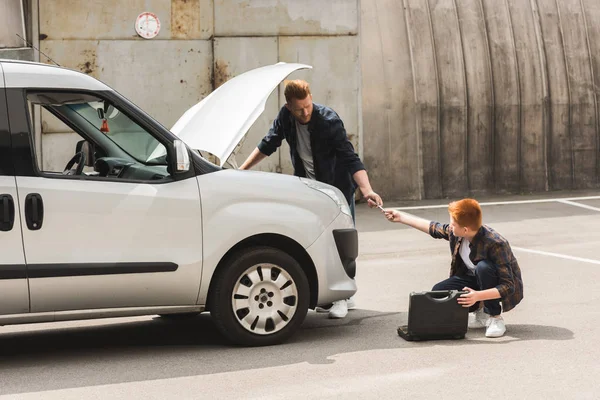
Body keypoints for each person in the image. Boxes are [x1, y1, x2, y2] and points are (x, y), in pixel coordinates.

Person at [240, 79, 382, 319]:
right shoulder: (285, 118)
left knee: (340, 244)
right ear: (288, 107)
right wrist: (242, 171)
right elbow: (268, 144)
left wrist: (367, 190)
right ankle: (336, 293)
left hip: (336, 191)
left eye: (308, 105)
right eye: (299, 109)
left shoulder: (328, 120)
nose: (305, 112)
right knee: (316, 242)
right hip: (309, 192)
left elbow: (350, 157)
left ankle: (342, 297)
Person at [379, 198, 523, 338]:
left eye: (452, 224)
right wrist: (401, 217)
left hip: (493, 280)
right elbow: (433, 228)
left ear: (465, 229)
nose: (450, 226)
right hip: (473, 279)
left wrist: (477, 296)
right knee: (439, 291)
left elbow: (508, 286)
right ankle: (481, 312)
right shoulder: (458, 234)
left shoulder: (496, 243)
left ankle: (495, 317)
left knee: (483, 267)